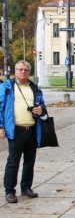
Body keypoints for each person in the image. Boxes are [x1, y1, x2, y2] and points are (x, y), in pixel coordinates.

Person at [0, 60, 47, 203]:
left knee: (29, 161)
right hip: (16, 130)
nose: (23, 72)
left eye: (26, 70)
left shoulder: (34, 88)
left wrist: (41, 109)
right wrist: (1, 126)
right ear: (15, 71)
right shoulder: (7, 87)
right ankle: (9, 191)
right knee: (13, 161)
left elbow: (43, 106)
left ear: (29, 72)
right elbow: (0, 107)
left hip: (32, 129)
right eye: (20, 69)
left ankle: (26, 187)